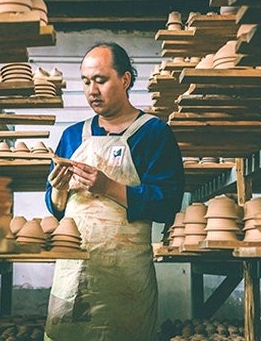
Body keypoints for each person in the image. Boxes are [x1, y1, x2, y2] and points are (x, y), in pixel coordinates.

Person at [44, 42, 185, 341]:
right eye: (85, 81)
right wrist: (58, 190)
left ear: (125, 80)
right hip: (75, 270)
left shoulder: (154, 133)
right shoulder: (72, 136)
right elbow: (57, 208)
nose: (91, 90)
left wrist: (108, 186)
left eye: (101, 80)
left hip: (126, 278)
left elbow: (166, 203)